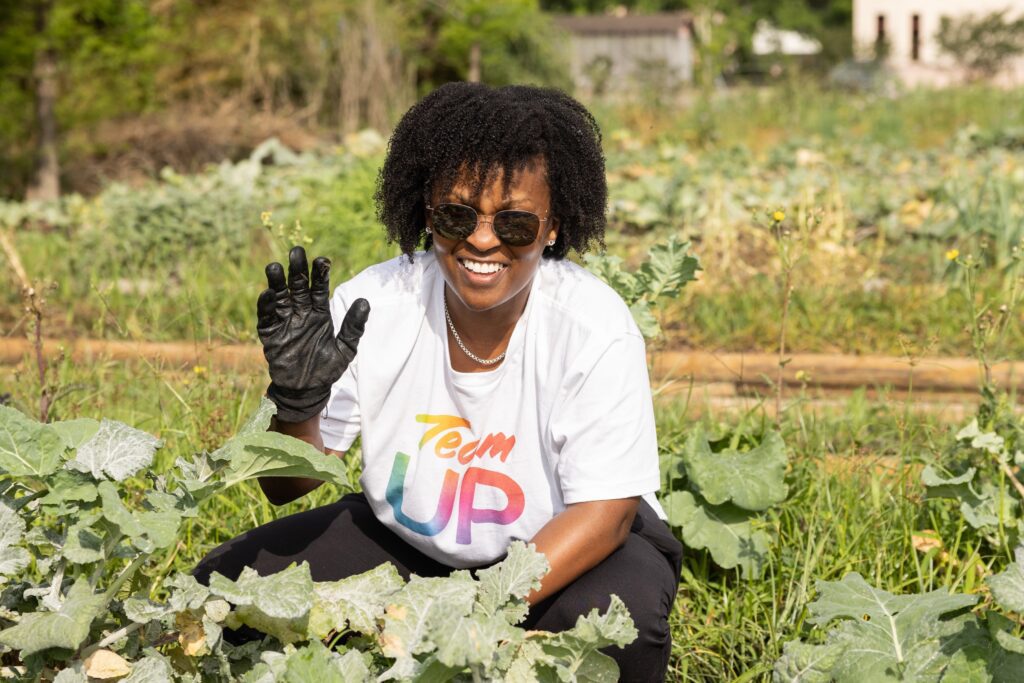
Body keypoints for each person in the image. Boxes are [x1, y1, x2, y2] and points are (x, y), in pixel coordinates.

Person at [193, 82, 682, 681]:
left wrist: (463, 615)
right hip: (411, 545)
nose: (481, 240)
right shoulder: (373, 304)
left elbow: (605, 515)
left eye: (516, 223)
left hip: (566, 552)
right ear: (428, 213)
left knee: (614, 624)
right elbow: (286, 487)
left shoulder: (593, 325)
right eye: (457, 215)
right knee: (224, 586)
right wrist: (296, 401)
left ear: (553, 228)